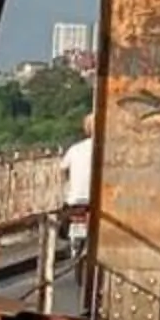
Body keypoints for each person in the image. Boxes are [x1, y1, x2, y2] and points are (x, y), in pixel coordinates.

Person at [61, 109, 95, 262]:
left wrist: (68, 186)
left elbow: (62, 169)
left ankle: (74, 246)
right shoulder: (105, 148)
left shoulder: (75, 149)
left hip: (74, 200)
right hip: (95, 201)